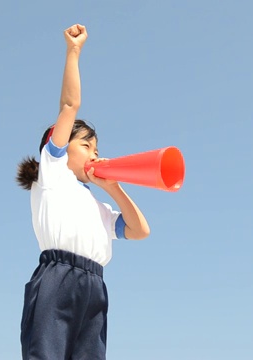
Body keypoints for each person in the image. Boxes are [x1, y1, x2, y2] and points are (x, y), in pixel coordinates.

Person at [15, 24, 150, 360]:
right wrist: (73, 51)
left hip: (94, 285)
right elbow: (69, 106)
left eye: (97, 146)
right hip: (57, 278)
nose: (94, 152)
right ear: (58, 146)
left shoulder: (97, 205)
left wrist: (114, 188)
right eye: (86, 144)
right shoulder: (53, 174)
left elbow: (140, 231)